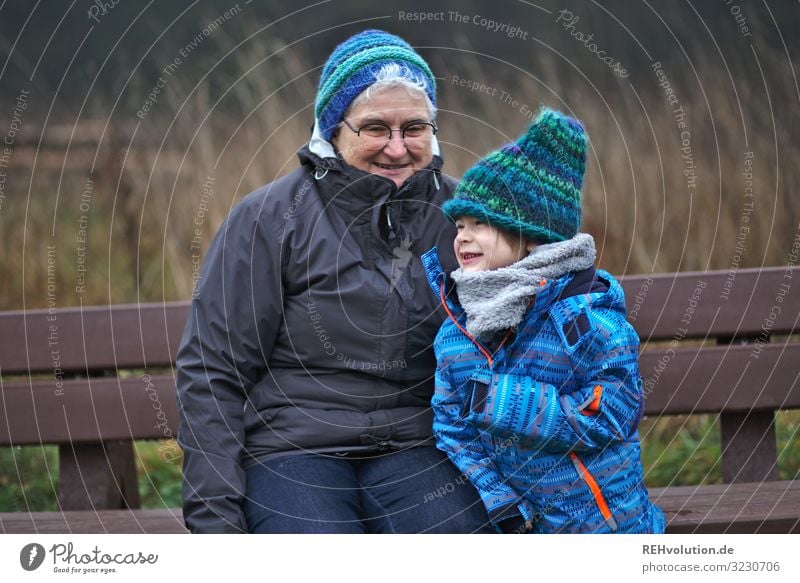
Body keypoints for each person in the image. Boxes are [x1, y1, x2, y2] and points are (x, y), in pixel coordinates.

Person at [176, 29, 491, 533]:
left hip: (421, 446)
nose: (396, 148)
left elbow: (534, 314)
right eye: (374, 129)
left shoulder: (468, 219)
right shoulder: (267, 218)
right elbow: (214, 370)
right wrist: (214, 521)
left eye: (414, 127)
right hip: (291, 451)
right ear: (332, 131)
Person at [421, 108, 666, 533]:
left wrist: (504, 402)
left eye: (481, 224)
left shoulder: (585, 317)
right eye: (459, 224)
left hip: (604, 522)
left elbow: (612, 415)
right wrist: (500, 503)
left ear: (533, 236)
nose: (462, 236)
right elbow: (453, 428)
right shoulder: (458, 331)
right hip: (524, 524)